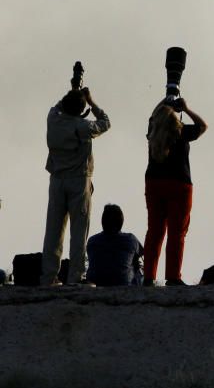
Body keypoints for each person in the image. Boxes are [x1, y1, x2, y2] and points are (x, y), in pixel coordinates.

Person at [42, 86, 111, 286]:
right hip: (78, 181)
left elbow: (57, 106)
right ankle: (75, 277)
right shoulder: (83, 126)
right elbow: (105, 123)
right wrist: (90, 100)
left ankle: (48, 277)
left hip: (56, 180)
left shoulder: (52, 118)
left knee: (53, 230)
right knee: (79, 231)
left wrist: (74, 90)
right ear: (81, 110)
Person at [143, 98, 207, 286]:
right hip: (179, 184)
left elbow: (152, 117)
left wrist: (166, 101)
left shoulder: (153, 133)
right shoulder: (180, 132)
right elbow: (202, 126)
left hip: (154, 183)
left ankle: (149, 276)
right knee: (177, 233)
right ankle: (172, 276)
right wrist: (186, 109)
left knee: (154, 231)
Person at [86, 204, 144, 286]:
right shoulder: (131, 239)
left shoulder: (92, 241)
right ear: (121, 221)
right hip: (123, 283)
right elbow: (141, 256)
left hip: (96, 282)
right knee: (139, 269)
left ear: (103, 221)